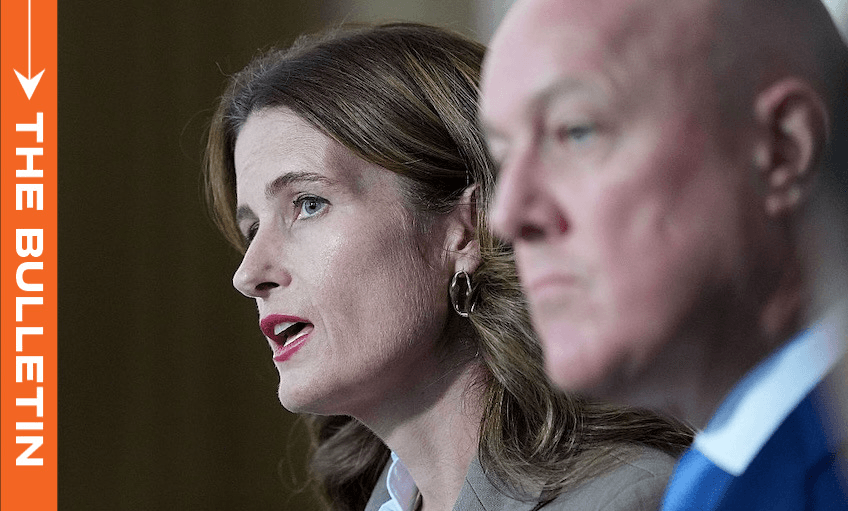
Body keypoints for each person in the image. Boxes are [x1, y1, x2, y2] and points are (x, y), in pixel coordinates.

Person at [204, 23, 692, 511]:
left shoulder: (626, 500)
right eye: (252, 229)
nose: (248, 275)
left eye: (308, 204)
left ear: (466, 226)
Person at [480, 0, 848, 509]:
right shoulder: (726, 471)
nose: (506, 215)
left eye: (575, 131)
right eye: (502, 157)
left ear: (782, 148)